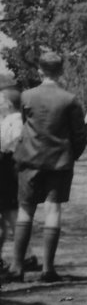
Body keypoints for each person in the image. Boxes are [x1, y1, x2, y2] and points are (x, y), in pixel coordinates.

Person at [10, 52, 87, 283]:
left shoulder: (26, 96)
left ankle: (16, 267)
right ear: (61, 71)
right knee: (53, 211)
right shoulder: (70, 99)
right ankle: (48, 270)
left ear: (40, 71)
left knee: (25, 211)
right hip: (59, 162)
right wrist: (73, 154)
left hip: (29, 161)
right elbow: (79, 134)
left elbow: (24, 125)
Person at [0, 73, 21, 273]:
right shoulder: (8, 119)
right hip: (5, 165)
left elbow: (14, 142)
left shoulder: (13, 120)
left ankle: (26, 253)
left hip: (7, 166)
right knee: (8, 214)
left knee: (10, 212)